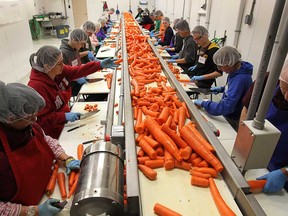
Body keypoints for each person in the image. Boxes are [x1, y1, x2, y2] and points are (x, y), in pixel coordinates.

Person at [0, 81, 80, 215]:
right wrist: (33, 211)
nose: (35, 120)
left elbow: (46, 140)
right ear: (10, 118)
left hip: (48, 192)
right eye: (30, 117)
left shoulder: (28, 127)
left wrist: (66, 159)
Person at [28, 45, 118, 139]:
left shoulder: (57, 71)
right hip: (53, 134)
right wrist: (63, 116)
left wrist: (99, 65)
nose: (63, 65)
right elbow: (40, 120)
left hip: (63, 122)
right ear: (47, 67)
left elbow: (76, 70)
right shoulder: (37, 87)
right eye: (59, 63)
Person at [240, 60, 288, 193]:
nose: (287, 97)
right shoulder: (267, 80)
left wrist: (285, 172)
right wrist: (243, 139)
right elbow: (247, 109)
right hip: (260, 156)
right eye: (284, 91)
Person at [193, 46, 253, 131]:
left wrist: (204, 104)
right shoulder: (237, 71)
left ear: (229, 63)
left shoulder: (240, 79)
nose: (219, 69)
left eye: (220, 66)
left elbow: (227, 107)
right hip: (230, 112)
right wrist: (222, 89)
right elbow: (236, 89)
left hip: (233, 118)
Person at [60, 28, 92, 99]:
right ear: (74, 40)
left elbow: (77, 64)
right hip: (71, 85)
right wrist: (76, 78)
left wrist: (85, 67)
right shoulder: (64, 53)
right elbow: (62, 75)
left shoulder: (74, 49)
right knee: (94, 90)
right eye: (81, 43)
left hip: (78, 77)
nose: (82, 46)